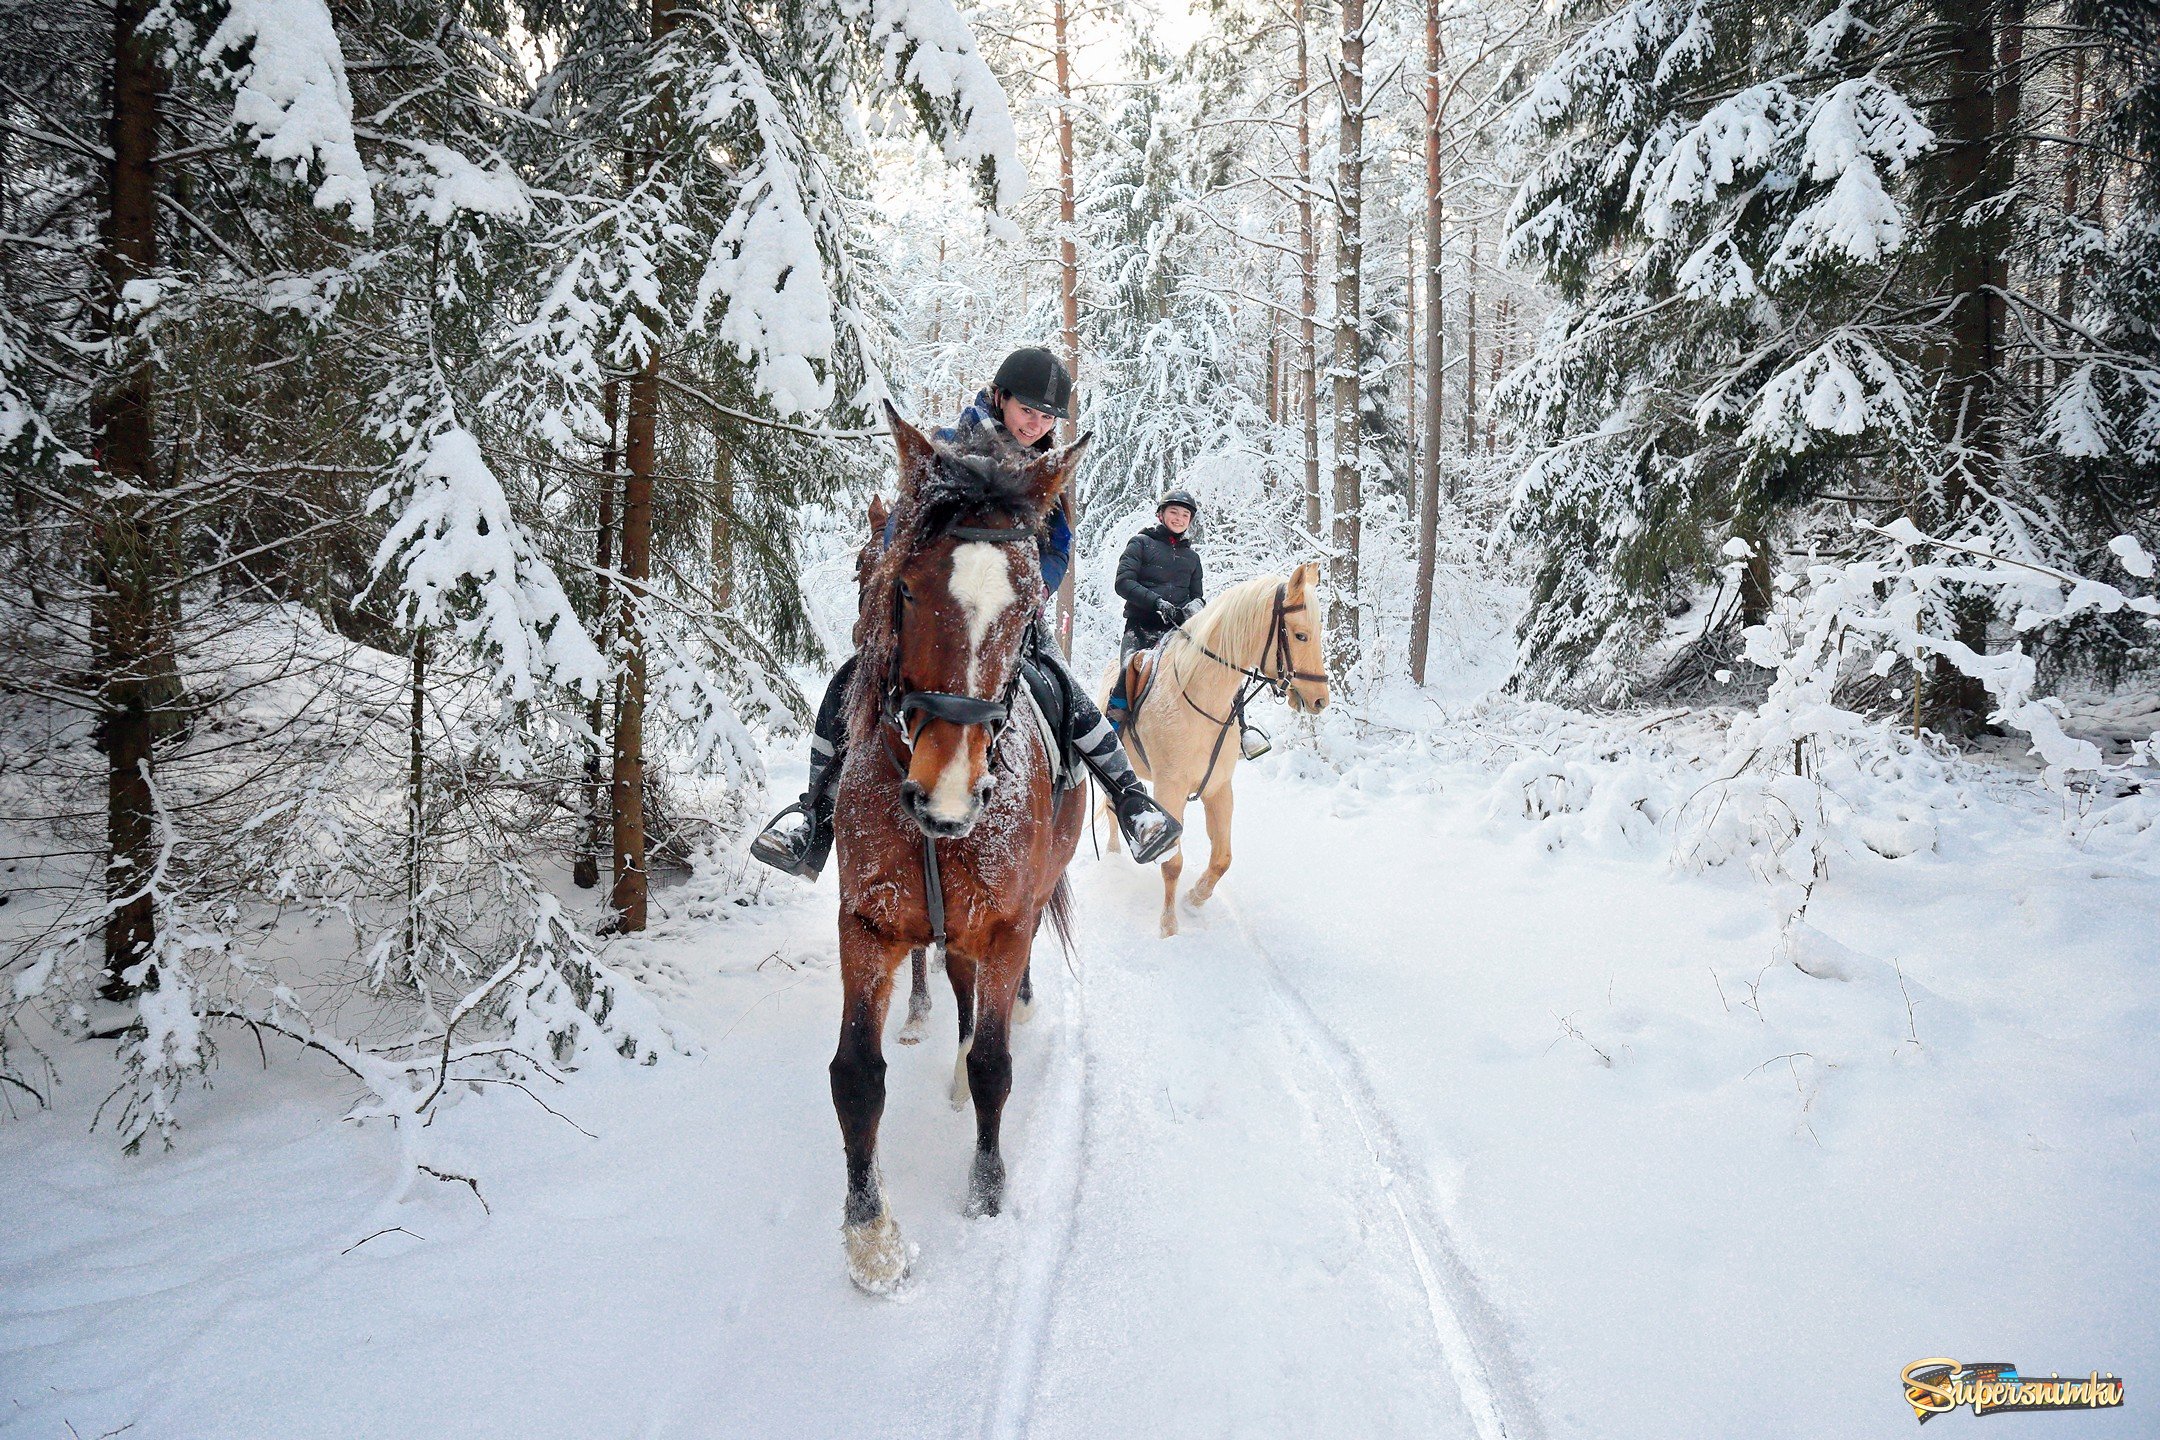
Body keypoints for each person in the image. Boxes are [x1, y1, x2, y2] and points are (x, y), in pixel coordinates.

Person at [750, 347, 1183, 879]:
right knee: (853, 678)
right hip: (938, 607)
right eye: (1029, 409)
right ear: (999, 397)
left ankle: (1132, 801)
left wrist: (1030, 594)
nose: (1037, 423)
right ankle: (812, 817)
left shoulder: (1047, 473)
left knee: (1062, 688)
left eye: (1048, 417)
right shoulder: (947, 449)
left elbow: (1058, 547)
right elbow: (902, 524)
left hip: (1006, 610)